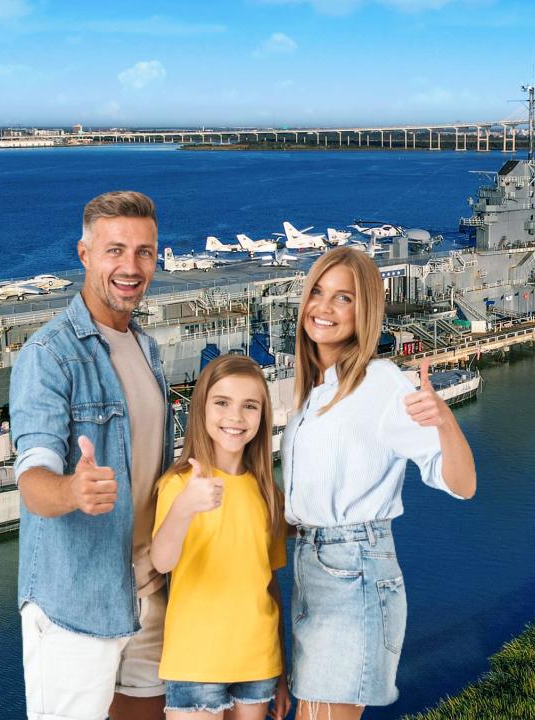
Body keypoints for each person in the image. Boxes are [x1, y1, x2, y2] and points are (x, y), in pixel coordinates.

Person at [281, 247, 476, 720]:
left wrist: (446, 421)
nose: (323, 308)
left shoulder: (383, 383)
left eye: (342, 298)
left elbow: (462, 484)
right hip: (311, 567)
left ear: (364, 310)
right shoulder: (313, 391)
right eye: (318, 293)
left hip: (354, 572)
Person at [10, 190, 173, 720]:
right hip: (76, 603)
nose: (131, 267)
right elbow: (33, 478)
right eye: (115, 250)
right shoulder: (48, 355)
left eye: (144, 252)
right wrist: (73, 490)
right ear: (84, 254)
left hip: (150, 591)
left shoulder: (147, 349)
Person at [150, 355, 291, 720]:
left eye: (250, 406)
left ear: (262, 416)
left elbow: (269, 583)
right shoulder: (179, 485)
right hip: (196, 661)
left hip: (258, 662)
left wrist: (281, 671)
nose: (236, 417)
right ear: (202, 409)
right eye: (222, 403)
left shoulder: (267, 493)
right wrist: (185, 508)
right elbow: (162, 562)